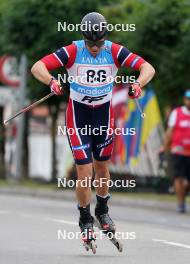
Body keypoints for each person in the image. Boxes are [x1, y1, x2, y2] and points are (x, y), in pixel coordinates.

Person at [31, 12, 155, 251]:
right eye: (91, 43)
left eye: (99, 43)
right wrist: (51, 81)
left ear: (105, 39)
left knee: (102, 167)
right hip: (78, 117)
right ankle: (85, 218)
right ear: (84, 39)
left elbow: (147, 68)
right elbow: (38, 66)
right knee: (84, 171)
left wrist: (138, 84)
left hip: (103, 117)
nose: (95, 48)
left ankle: (103, 211)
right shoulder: (74, 51)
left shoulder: (114, 50)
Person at [161, 90, 190, 213]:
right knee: (178, 177)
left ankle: (184, 192)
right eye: (188, 99)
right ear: (185, 100)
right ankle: (181, 203)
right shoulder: (177, 113)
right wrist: (165, 147)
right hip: (177, 151)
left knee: (188, 181)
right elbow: (170, 131)